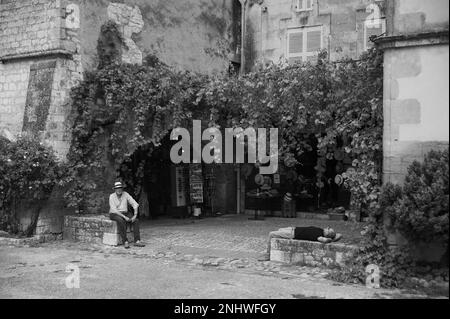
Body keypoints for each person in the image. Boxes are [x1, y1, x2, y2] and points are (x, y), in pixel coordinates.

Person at [260, 226, 342, 260]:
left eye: (329, 229)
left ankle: (267, 255)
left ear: (327, 234)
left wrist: (331, 239)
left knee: (271, 234)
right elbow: (339, 235)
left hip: (292, 234)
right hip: (293, 229)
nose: (327, 227)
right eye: (329, 227)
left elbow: (325, 240)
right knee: (278, 230)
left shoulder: (319, 236)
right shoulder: (320, 230)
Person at [109, 182, 145, 249]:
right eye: (117, 188)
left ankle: (137, 241)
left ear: (122, 189)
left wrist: (135, 215)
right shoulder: (112, 196)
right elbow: (114, 210)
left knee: (136, 220)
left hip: (125, 212)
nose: (119, 190)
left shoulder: (125, 194)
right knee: (121, 220)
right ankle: (125, 241)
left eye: (120, 188)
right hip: (114, 213)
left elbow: (134, 204)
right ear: (115, 189)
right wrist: (124, 217)